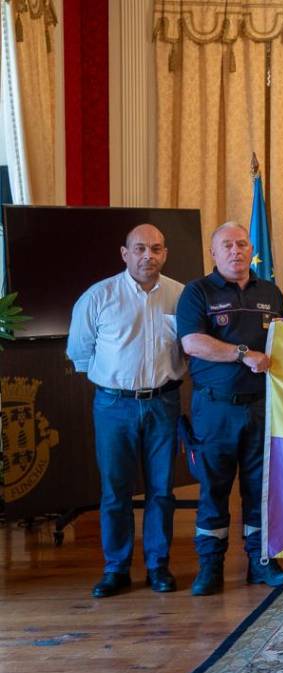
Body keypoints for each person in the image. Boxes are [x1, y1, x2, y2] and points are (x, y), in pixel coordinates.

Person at [68, 224, 186, 598]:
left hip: (164, 403)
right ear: (125, 254)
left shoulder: (181, 297)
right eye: (139, 249)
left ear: (165, 253)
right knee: (115, 492)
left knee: (162, 490)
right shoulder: (98, 296)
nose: (147, 256)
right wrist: (116, 382)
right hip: (113, 405)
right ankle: (116, 568)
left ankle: (158, 566)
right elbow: (80, 353)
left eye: (155, 249)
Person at [176, 222, 283, 596]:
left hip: (262, 407)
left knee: (260, 490)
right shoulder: (198, 292)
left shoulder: (270, 292)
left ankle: (261, 563)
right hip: (215, 409)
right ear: (214, 252)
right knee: (214, 489)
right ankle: (210, 567)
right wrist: (243, 355)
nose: (235, 251)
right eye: (227, 245)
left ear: (251, 249)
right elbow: (193, 343)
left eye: (242, 244)